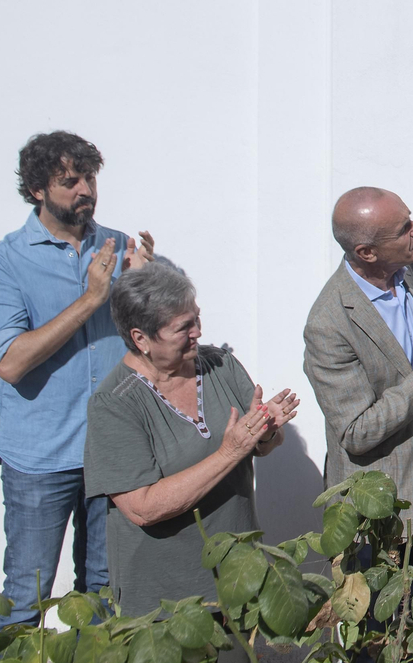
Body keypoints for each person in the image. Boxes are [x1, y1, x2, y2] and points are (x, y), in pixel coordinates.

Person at [0, 131, 156, 632]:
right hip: (40, 458)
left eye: (90, 177)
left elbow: (160, 342)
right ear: (37, 189)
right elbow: (10, 362)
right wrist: (92, 299)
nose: (85, 190)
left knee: (103, 594)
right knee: (26, 596)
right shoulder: (4, 262)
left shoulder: (121, 250)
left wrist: (148, 287)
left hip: (112, 454)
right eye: (68, 180)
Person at [84, 263, 297, 615]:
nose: (198, 332)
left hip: (238, 575)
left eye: (196, 319)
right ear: (141, 338)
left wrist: (265, 431)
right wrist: (230, 452)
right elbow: (142, 508)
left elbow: (263, 445)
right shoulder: (114, 403)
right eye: (184, 327)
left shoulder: (220, 365)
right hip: (166, 599)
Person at [303, 187, 413, 590]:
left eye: (410, 218)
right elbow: (356, 432)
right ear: (367, 252)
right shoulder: (328, 324)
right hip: (378, 493)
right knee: (382, 623)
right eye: (404, 229)